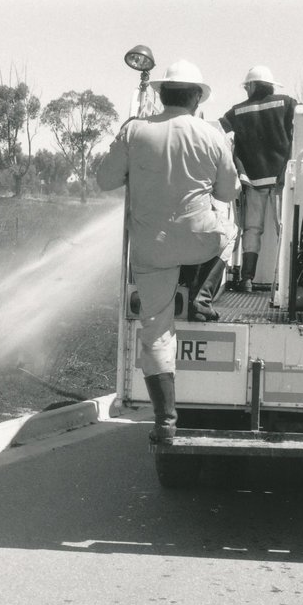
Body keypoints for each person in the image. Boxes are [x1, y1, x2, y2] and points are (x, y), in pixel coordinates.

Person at [96, 59, 238, 445]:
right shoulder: (212, 135)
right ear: (196, 98)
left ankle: (165, 422)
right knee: (231, 230)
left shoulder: (135, 130)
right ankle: (201, 292)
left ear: (161, 95)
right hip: (200, 242)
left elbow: (105, 180)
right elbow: (227, 193)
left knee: (157, 332)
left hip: (152, 250)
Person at [218, 65, 297, 292]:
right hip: (281, 178)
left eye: (247, 87)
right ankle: (288, 283)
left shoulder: (238, 111)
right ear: (270, 85)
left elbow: (221, 131)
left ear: (252, 86)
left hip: (252, 179)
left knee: (252, 229)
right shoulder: (287, 103)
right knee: (285, 229)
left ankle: (247, 279)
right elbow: (302, 121)